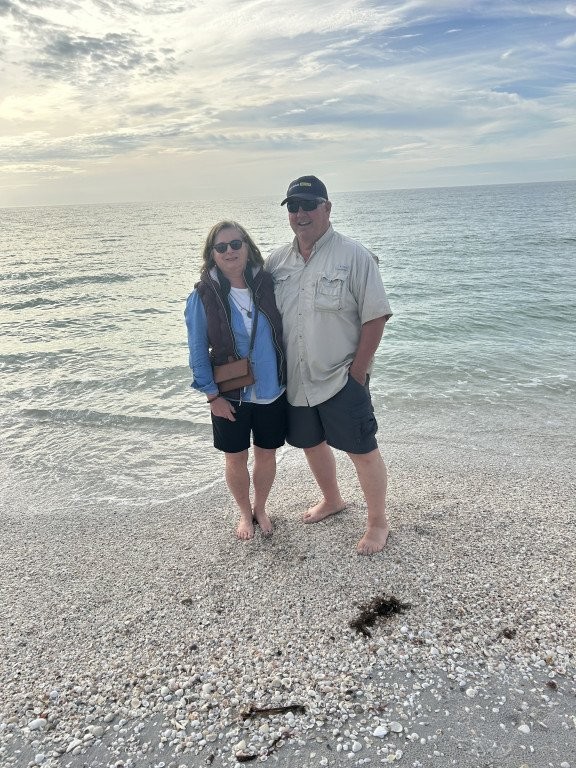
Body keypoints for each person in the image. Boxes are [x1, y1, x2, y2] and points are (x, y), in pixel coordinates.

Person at [266, 176, 393, 555]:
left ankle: (378, 523)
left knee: (362, 450)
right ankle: (333, 499)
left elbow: (375, 317)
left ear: (327, 208)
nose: (300, 213)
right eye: (293, 206)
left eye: (309, 204)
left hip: (341, 377)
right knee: (311, 443)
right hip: (296, 381)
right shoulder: (277, 262)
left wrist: (358, 374)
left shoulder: (354, 256)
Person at [185, 221, 287, 540]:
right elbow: (197, 350)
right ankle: (244, 512)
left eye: (235, 244)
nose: (229, 251)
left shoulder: (267, 284)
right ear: (212, 254)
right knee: (235, 456)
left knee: (267, 453)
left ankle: (261, 507)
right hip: (230, 394)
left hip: (272, 389)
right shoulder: (202, 296)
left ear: (247, 246)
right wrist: (211, 397)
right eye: (221, 247)